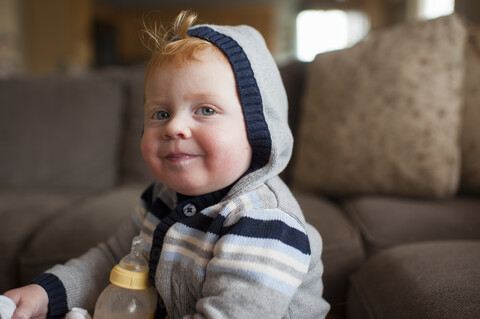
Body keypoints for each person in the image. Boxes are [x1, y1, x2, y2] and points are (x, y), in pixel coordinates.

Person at [3, 11, 330, 319]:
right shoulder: (162, 198)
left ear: (258, 129)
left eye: (205, 110)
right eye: (160, 114)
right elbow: (113, 259)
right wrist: (47, 294)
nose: (174, 127)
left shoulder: (265, 224)